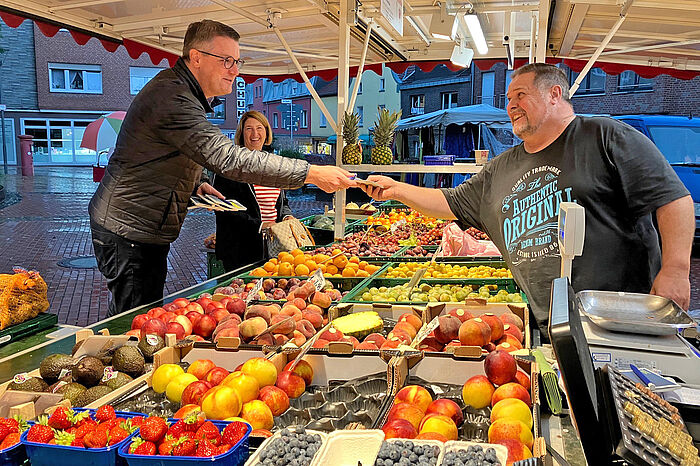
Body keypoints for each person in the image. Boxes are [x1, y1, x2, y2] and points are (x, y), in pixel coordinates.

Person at [359, 63, 694, 335]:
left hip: (620, 319)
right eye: (508, 99)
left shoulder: (605, 136)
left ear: (554, 95)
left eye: (521, 95)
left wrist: (676, 270)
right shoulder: (501, 168)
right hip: (548, 326)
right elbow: (449, 202)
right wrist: (397, 189)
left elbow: (673, 198)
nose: (511, 106)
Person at [89, 20, 356, 317]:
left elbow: (169, 154)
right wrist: (311, 173)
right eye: (227, 60)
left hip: (139, 227)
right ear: (197, 57)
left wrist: (194, 183)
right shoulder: (173, 97)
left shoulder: (181, 93)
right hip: (128, 229)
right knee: (136, 319)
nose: (235, 69)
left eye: (237, 61)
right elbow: (228, 157)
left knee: (145, 311)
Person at [213, 111, 294, 271]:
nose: (255, 134)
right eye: (249, 129)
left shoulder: (274, 165)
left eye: (259, 128)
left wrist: (286, 215)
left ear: (266, 132)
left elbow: (282, 202)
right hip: (240, 248)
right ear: (241, 133)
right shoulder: (231, 166)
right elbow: (223, 208)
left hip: (273, 246)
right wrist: (260, 225)